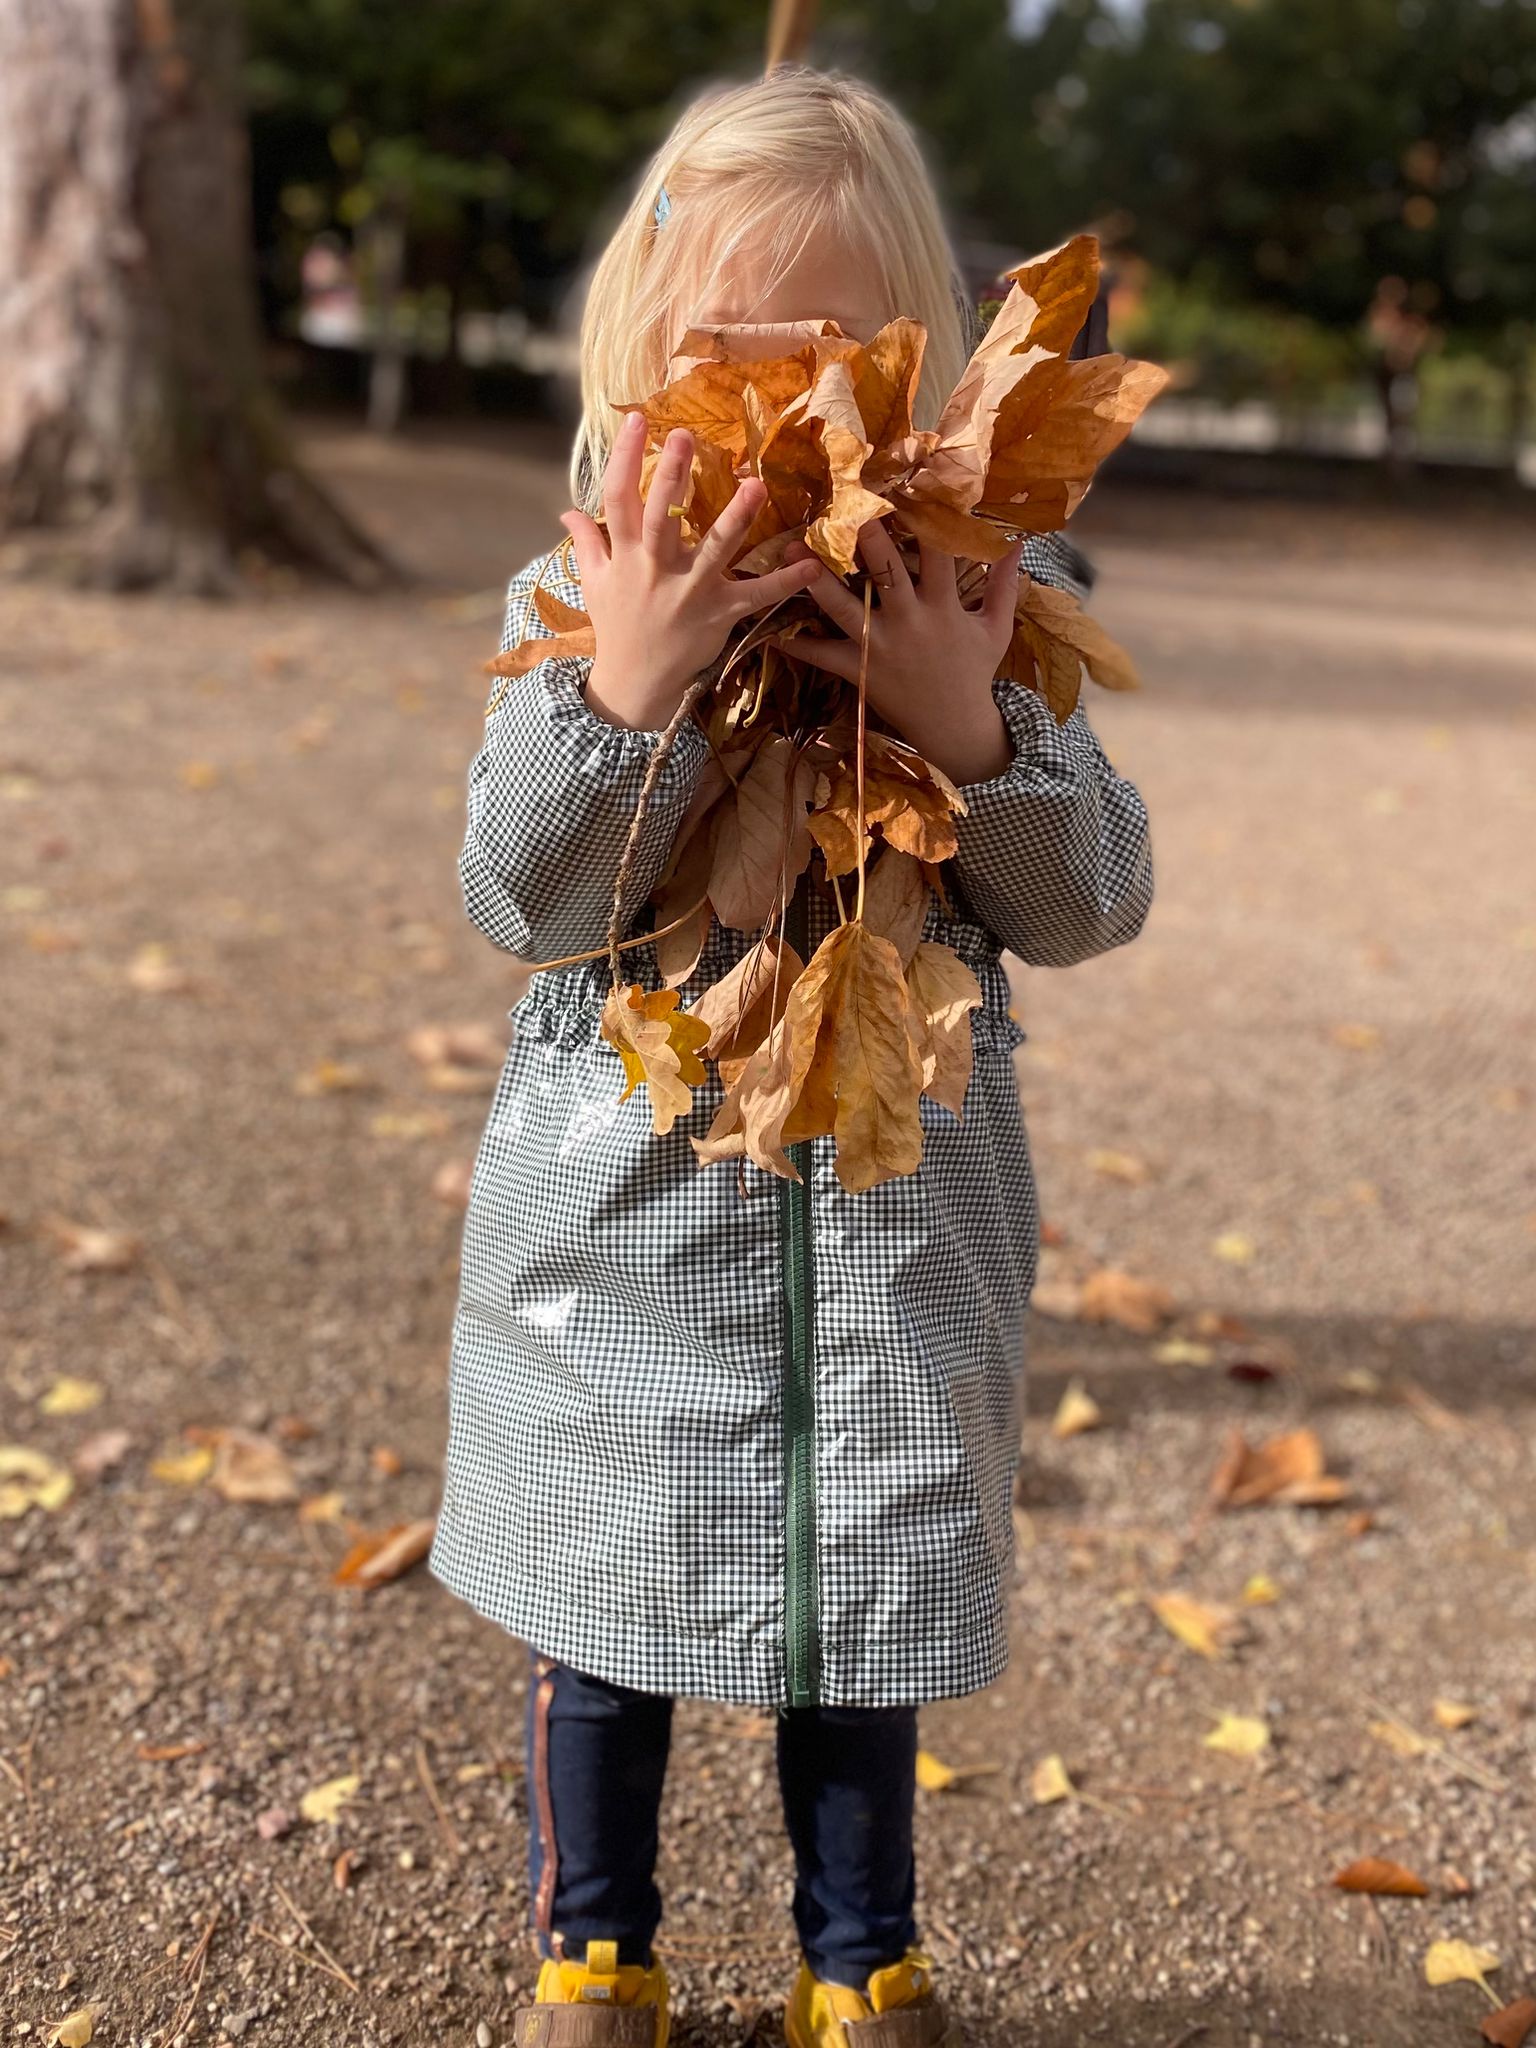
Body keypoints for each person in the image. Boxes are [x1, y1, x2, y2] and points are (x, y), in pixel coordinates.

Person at [427, 62, 1155, 2048]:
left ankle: (861, 1956)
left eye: (831, 356)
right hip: (623, 1233)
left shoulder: (995, 603)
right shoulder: (576, 600)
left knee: (856, 1607)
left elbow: (1095, 899)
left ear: (919, 377)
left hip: (896, 1241)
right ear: (638, 366)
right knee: (607, 1596)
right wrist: (629, 687)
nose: (780, 411)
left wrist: (972, 725)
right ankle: (600, 1948)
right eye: (720, 363)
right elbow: (522, 896)